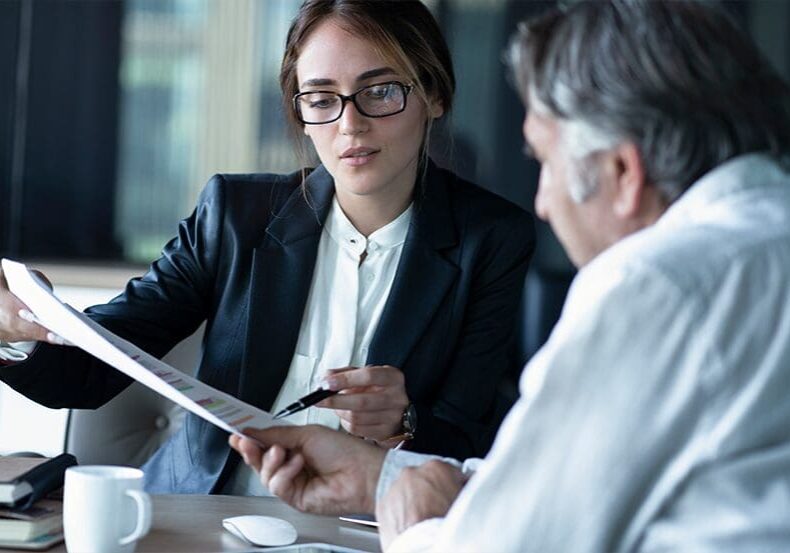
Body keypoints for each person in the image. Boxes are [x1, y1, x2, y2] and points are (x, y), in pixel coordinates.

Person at [230, 0, 790, 550]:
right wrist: (384, 478)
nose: (542, 202)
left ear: (622, 172)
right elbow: (578, 485)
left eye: (545, 162)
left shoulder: (654, 285)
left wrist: (412, 523)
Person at [0, 0, 535, 494]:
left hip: (366, 529)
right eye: (322, 98)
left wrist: (405, 423)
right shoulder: (235, 214)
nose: (350, 124)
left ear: (434, 95)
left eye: (380, 91)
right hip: (202, 519)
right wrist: (15, 332)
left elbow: (473, 441)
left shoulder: (491, 240)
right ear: (300, 110)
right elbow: (93, 370)